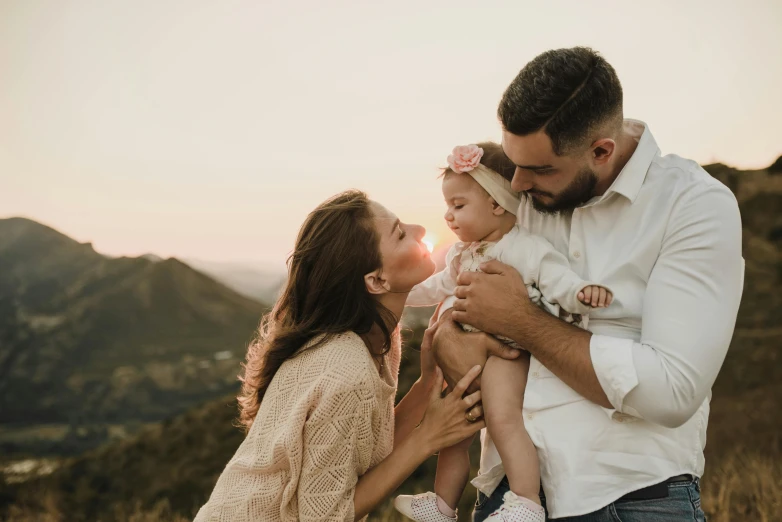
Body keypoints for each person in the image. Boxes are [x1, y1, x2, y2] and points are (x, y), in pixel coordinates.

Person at [431, 47, 744, 521]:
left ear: (601, 151)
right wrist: (450, 341)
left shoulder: (693, 205)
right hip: (509, 498)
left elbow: (671, 390)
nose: (516, 184)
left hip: (632, 497)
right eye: (515, 163)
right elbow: (472, 291)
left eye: (538, 169)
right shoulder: (527, 195)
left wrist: (523, 322)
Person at [193, 190, 493, 522]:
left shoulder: (369, 340)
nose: (420, 229)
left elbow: (366, 449)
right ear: (377, 280)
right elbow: (324, 517)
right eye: (399, 233)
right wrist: (426, 436)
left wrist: (426, 385)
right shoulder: (346, 367)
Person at [393, 142, 612, 522]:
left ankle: (526, 501)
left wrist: (580, 292)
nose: (448, 215)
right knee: (455, 429)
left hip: (505, 353)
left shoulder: (524, 248)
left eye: (458, 206)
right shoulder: (462, 254)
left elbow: (556, 279)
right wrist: (398, 295)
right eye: (448, 206)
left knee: (502, 418)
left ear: (497, 204)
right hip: (468, 358)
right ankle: (443, 506)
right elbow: (437, 286)